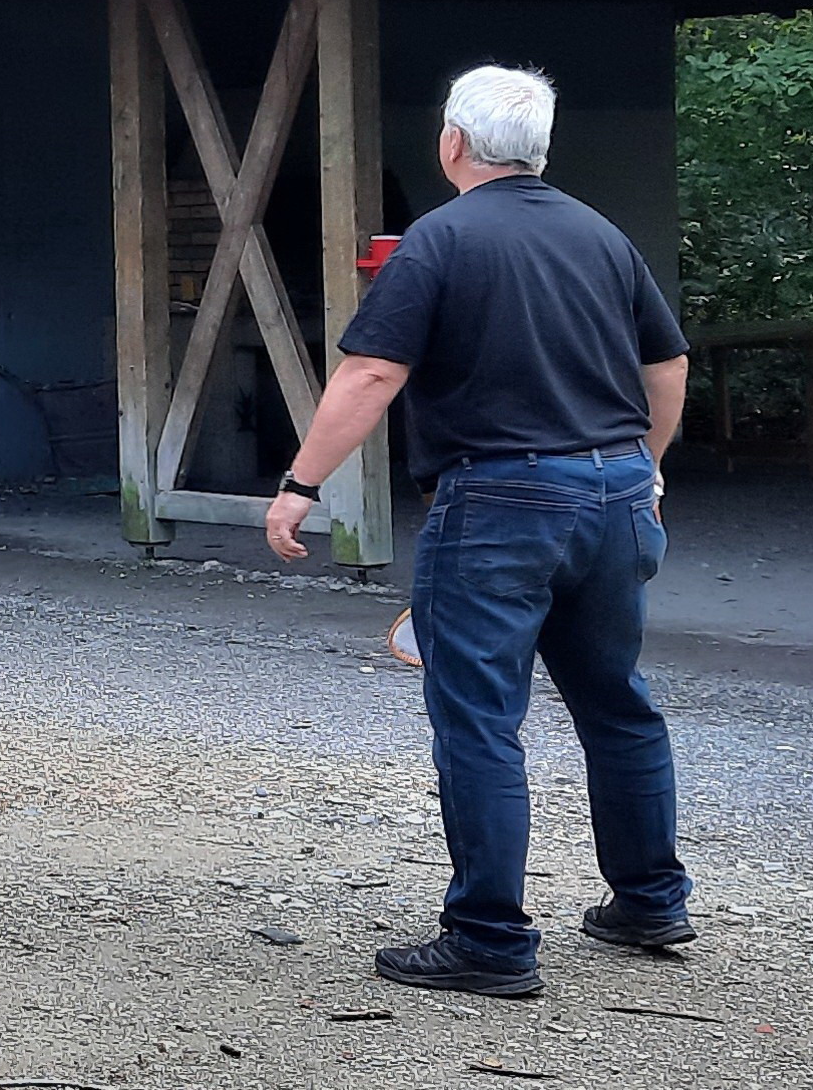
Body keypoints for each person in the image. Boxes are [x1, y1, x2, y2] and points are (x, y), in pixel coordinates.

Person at [264, 65, 693, 998]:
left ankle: (490, 939)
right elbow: (666, 365)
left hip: (498, 500)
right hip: (614, 490)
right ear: (540, 147)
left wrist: (301, 483)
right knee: (616, 702)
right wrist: (647, 467)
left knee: (478, 718)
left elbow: (370, 373)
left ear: (451, 142)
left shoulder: (438, 238)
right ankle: (649, 900)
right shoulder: (601, 234)